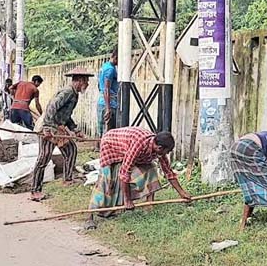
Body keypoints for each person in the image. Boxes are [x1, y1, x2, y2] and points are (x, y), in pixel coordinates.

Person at [85, 127, 192, 228]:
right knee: (107, 180)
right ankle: (89, 216)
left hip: (125, 146)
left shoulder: (159, 148)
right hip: (111, 144)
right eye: (167, 151)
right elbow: (125, 174)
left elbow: (169, 172)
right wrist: (127, 200)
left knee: (150, 170)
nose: (167, 154)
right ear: (159, 147)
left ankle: (149, 206)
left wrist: (182, 193)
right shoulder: (139, 145)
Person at [29, 67, 92, 202]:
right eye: (86, 81)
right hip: (48, 127)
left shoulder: (74, 94)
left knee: (71, 150)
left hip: (58, 127)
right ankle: (35, 190)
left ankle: (68, 179)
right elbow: (52, 106)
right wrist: (47, 127)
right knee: (44, 158)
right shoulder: (68, 92)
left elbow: (66, 115)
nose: (87, 84)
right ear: (80, 81)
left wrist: (75, 129)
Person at [97, 48, 118, 139]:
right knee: (109, 131)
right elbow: (107, 89)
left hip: (102, 101)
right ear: (116, 57)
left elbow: (99, 85)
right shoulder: (110, 69)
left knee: (101, 129)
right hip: (109, 102)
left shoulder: (104, 66)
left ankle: (98, 147)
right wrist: (108, 107)